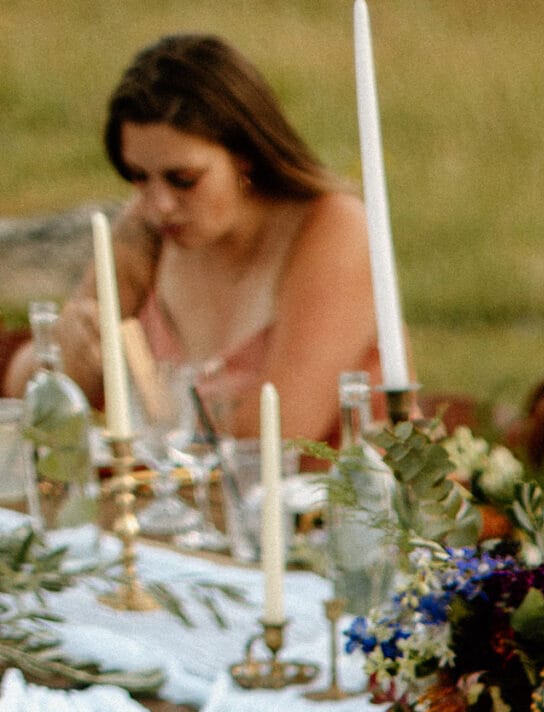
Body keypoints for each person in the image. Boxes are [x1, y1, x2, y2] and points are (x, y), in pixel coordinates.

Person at [4, 33, 378, 444]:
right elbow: (19, 396)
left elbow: (276, 436)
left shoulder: (334, 227)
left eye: (184, 180)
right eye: (139, 177)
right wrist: (63, 358)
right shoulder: (147, 230)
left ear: (245, 155)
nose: (158, 204)